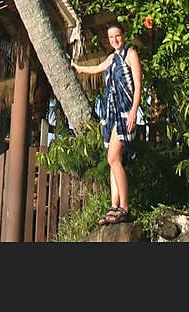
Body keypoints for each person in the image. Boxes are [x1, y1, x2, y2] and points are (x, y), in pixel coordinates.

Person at [71, 21, 142, 225]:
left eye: (117, 36)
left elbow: (138, 85)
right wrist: (78, 67)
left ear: (123, 35)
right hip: (112, 116)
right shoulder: (112, 58)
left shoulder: (131, 55)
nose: (115, 40)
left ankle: (125, 207)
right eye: (111, 38)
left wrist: (134, 112)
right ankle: (114, 206)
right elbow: (95, 69)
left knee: (113, 158)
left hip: (125, 113)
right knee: (113, 160)